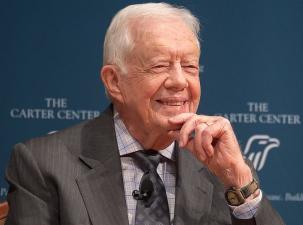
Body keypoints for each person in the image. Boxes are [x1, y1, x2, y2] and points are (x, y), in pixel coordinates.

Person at [5, 3, 284, 225]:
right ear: (114, 82)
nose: (179, 81)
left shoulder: (225, 169)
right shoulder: (44, 164)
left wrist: (239, 181)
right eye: (160, 66)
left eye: (190, 67)